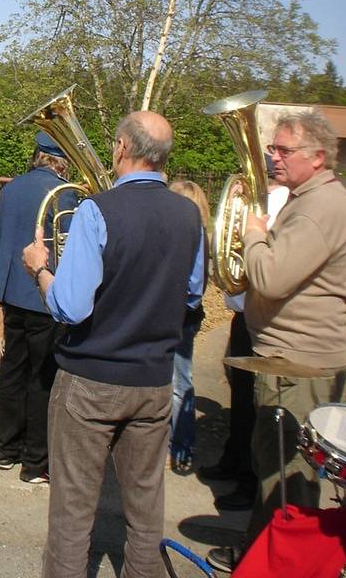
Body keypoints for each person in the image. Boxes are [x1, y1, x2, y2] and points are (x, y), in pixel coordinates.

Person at [23, 111, 205, 578]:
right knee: (146, 514)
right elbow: (191, 293)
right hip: (154, 382)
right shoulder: (189, 214)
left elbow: (69, 306)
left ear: (122, 148)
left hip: (90, 380)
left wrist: (40, 268)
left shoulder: (96, 210)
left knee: (72, 513)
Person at [207, 111, 346, 574]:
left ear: (317, 157)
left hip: (300, 362)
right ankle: (264, 553)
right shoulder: (307, 199)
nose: (272, 156)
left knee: (288, 475)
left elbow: (270, 278)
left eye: (282, 150)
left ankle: (286, 562)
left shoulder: (319, 208)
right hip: (288, 356)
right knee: (272, 464)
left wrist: (253, 235)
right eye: (272, 148)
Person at [199, 155, 289, 512]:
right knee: (240, 398)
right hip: (243, 315)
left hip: (261, 317)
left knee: (254, 403)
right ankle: (233, 460)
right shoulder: (261, 202)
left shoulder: (279, 205)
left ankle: (249, 481)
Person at [0, 131, 76, 484]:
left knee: (12, 368)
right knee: (43, 377)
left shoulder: (11, 188)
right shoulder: (65, 193)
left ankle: (6, 448)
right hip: (44, 293)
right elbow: (70, 247)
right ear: (61, 159)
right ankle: (34, 461)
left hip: (12, 292)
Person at [167, 179, 210, 473]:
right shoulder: (199, 232)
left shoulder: (193, 235)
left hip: (179, 316)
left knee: (179, 382)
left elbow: (194, 288)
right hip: (181, 315)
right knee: (176, 381)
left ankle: (181, 448)